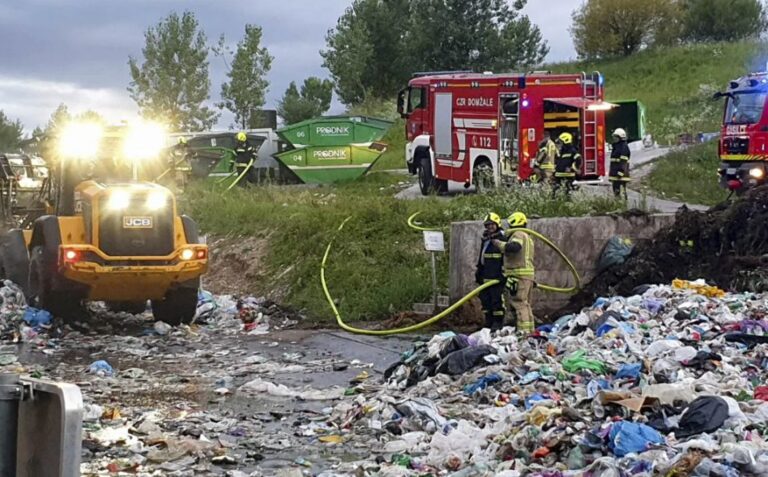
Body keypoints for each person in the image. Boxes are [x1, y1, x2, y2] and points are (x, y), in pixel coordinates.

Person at [492, 212, 535, 335]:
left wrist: (500, 244)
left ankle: (524, 333)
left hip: (519, 275)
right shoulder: (528, 237)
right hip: (527, 275)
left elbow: (515, 247)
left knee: (519, 303)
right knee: (526, 305)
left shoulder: (518, 234)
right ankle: (530, 331)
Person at [475, 213, 506, 331]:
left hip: (497, 277)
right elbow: (482, 256)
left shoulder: (502, 239)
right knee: (485, 300)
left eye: (492, 225)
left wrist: (503, 274)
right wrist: (479, 270)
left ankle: (498, 324)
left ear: (497, 224)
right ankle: (488, 322)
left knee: (496, 300)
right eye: (487, 225)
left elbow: (506, 257)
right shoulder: (486, 240)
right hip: (485, 275)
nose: (489, 227)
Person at [553, 132, 581, 196]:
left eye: (561, 142)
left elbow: (578, 159)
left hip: (568, 176)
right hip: (559, 175)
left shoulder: (572, 150)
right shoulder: (563, 151)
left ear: (566, 141)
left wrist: (572, 168)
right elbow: (560, 163)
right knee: (554, 193)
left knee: (567, 193)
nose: (560, 144)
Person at [609, 128, 631, 200]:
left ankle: (623, 206)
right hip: (616, 175)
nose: (614, 139)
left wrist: (620, 172)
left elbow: (623, 161)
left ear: (620, 137)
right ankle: (618, 206)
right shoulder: (616, 146)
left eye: (616, 137)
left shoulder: (623, 147)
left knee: (621, 192)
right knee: (616, 192)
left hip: (620, 175)